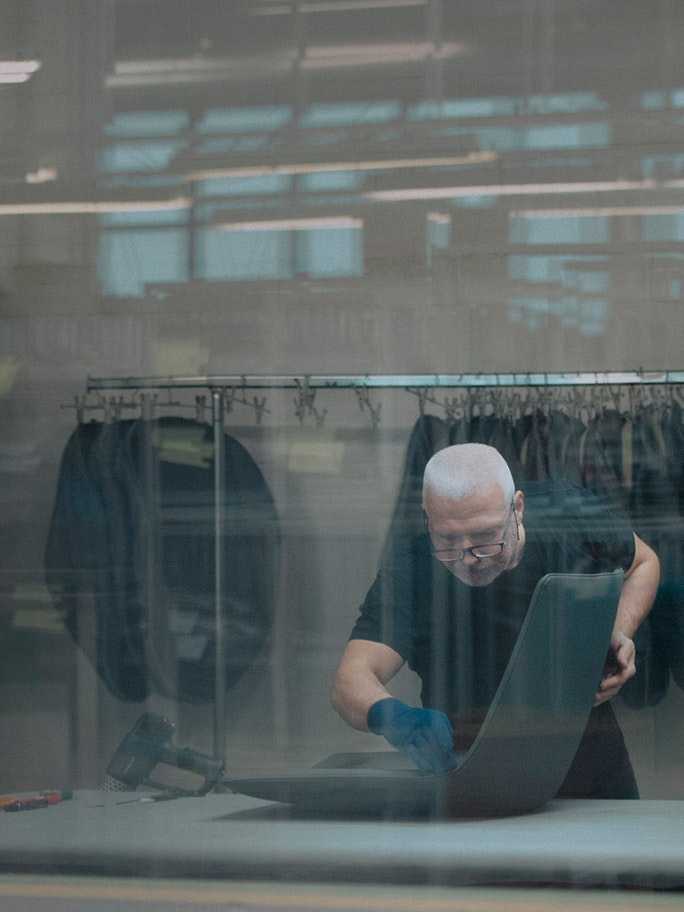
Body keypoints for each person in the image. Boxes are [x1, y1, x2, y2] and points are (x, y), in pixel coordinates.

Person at [331, 443, 660, 798]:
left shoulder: (568, 514)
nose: (469, 557)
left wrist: (616, 631)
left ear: (517, 507)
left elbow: (643, 564)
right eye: (448, 539)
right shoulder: (413, 565)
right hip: (468, 771)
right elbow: (350, 680)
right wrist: (393, 717)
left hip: (589, 765)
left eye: (486, 537)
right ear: (427, 517)